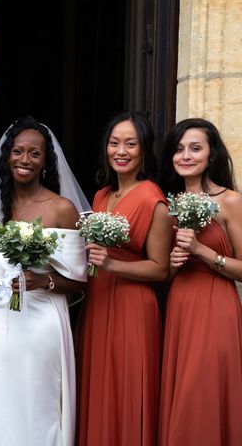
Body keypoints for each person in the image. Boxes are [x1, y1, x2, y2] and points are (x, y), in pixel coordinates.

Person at [0, 117, 89, 446]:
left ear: (46, 160)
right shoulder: (0, 207)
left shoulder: (62, 209)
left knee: (39, 402)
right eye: (18, 152)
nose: (25, 160)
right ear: (7, 157)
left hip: (44, 319)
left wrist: (42, 282)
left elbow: (79, 282)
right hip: (2, 317)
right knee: (2, 402)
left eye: (35, 153)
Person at [76, 111, 172, 446]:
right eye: (114, 143)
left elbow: (160, 268)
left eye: (130, 144)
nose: (121, 150)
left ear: (144, 150)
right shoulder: (101, 196)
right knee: (98, 384)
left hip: (133, 307)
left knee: (126, 387)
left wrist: (112, 265)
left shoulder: (153, 199)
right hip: (98, 302)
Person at [158, 118, 242, 445]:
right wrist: (174, 264)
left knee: (202, 391)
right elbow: (163, 270)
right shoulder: (168, 204)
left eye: (195, 148)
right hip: (180, 304)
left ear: (212, 154)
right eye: (179, 149)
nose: (186, 156)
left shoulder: (230, 201)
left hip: (217, 305)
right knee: (181, 393)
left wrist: (202, 252)